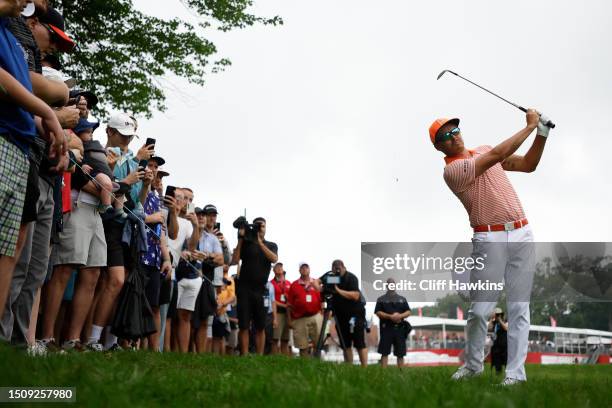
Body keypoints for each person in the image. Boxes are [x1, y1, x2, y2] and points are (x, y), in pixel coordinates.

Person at [431, 110, 551, 385]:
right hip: (489, 239)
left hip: (522, 232)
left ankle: (515, 375)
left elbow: (529, 164)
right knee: (480, 311)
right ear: (438, 147)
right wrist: (530, 126)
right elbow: (497, 155)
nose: (453, 136)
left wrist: (541, 134)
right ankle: (473, 366)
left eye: (454, 130)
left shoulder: (484, 150)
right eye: (445, 136)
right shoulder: (452, 171)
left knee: (520, 308)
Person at [231, 217, 278, 355]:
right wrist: (240, 239)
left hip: (261, 289)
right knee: (244, 325)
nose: (260, 228)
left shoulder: (271, 245)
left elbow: (274, 259)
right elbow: (234, 260)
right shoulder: (246, 242)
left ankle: (259, 356)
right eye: (257, 226)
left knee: (260, 326)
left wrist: (260, 243)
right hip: (244, 288)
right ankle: (244, 355)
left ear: (266, 228)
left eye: (262, 226)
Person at [140, 156, 172, 351]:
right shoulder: (140, 190)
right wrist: (149, 218)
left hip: (154, 258)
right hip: (139, 252)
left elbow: (161, 232)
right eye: (150, 166)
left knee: (154, 305)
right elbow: (132, 211)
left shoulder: (156, 199)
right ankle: (128, 344)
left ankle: (154, 351)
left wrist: (166, 257)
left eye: (156, 168)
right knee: (136, 300)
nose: (154, 172)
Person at [191, 204, 223, 353]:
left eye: (205, 215)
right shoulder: (189, 232)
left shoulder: (212, 238)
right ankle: (185, 352)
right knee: (189, 318)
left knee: (204, 319)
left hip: (207, 281)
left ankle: (200, 354)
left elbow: (222, 259)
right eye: (200, 214)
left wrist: (208, 256)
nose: (203, 217)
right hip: (189, 277)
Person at [324, 259, 367, 366]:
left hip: (355, 316)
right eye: (334, 269)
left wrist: (338, 290)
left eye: (339, 269)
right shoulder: (332, 278)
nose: (337, 271)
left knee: (359, 343)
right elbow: (322, 287)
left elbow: (355, 295)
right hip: (340, 317)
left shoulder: (351, 278)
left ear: (343, 267)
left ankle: (364, 367)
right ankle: (349, 366)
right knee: (345, 344)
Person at [287, 262, 322, 357]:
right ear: (299, 271)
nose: (304, 269)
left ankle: (318, 364)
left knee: (318, 344)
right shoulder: (294, 285)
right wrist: (289, 320)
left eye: (306, 268)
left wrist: (323, 315)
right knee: (302, 346)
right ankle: (305, 366)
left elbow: (322, 300)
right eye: (302, 268)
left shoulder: (315, 282)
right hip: (299, 319)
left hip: (316, 316)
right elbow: (289, 305)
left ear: (309, 270)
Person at [374, 278, 411, 367]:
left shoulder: (402, 299)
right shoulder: (381, 299)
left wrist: (400, 316)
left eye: (392, 284)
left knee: (400, 353)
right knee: (384, 352)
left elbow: (408, 311)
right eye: (389, 284)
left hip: (400, 329)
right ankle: (384, 374)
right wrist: (390, 317)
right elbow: (378, 312)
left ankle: (401, 373)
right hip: (386, 328)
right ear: (386, 286)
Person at [270, 262, 291, 355]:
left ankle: (285, 360)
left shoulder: (288, 283)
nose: (279, 269)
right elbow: (272, 300)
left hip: (287, 314)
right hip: (277, 313)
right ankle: (274, 359)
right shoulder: (271, 283)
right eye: (277, 267)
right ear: (273, 270)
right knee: (275, 339)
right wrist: (283, 305)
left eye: (281, 267)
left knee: (285, 339)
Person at [489, 307, 508, 375]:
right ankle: (498, 373)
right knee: (497, 361)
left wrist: (500, 320)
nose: (497, 316)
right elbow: (489, 328)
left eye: (499, 314)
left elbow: (506, 328)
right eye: (496, 314)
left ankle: (508, 374)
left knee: (506, 361)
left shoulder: (505, 321)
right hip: (496, 345)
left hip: (504, 345)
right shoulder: (494, 322)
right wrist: (491, 319)